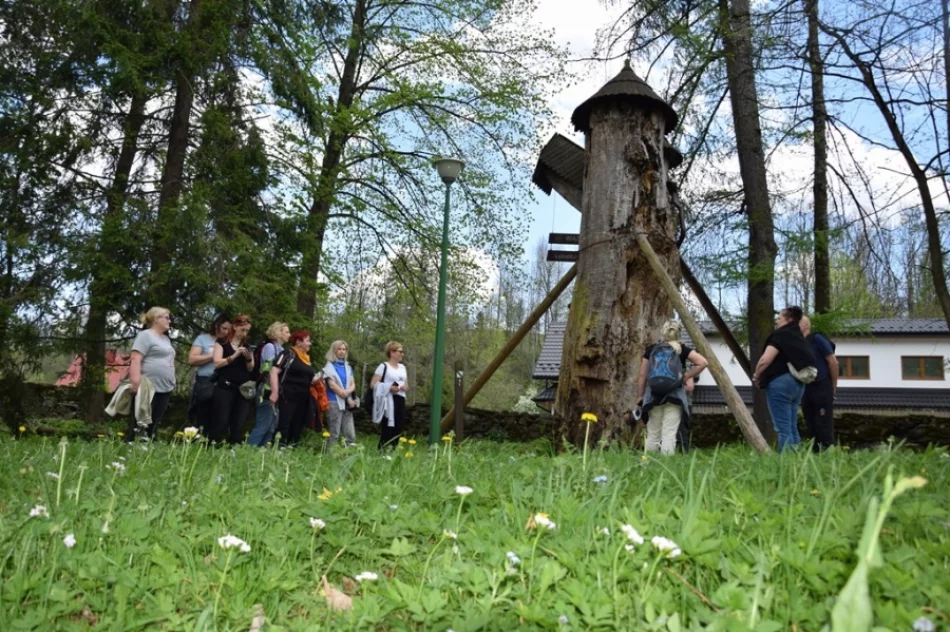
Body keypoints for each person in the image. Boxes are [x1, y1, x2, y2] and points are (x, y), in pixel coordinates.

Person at [637, 321, 708, 455]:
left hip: (653, 397)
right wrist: (686, 376)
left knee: (653, 434)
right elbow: (703, 362)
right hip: (675, 397)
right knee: (669, 434)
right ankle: (666, 468)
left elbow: (642, 375)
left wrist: (640, 396)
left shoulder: (652, 349)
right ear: (678, 333)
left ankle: (648, 466)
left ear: (663, 332)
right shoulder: (682, 349)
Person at [752, 306, 816, 451]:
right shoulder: (799, 337)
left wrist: (757, 375)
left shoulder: (781, 335)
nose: (777, 320)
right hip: (798, 384)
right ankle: (796, 460)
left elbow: (765, 360)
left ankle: (785, 464)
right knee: (792, 425)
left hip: (780, 383)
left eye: (780, 317)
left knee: (782, 427)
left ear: (789, 319)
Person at [127, 307, 176, 441]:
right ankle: (131, 447)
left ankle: (148, 449)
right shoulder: (145, 335)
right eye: (166, 317)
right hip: (148, 386)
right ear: (155, 319)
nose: (169, 321)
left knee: (155, 421)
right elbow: (136, 358)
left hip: (165, 386)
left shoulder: (166, 339)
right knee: (140, 421)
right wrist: (135, 381)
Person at [211, 314, 255, 444]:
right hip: (225, 386)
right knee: (221, 420)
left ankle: (233, 448)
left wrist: (248, 359)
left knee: (238, 422)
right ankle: (213, 445)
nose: (245, 333)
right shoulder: (222, 343)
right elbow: (217, 362)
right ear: (235, 327)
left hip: (242, 388)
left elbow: (251, 368)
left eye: (247, 331)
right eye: (243, 330)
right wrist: (234, 355)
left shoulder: (247, 345)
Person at [271, 330, 318, 446]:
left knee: (298, 423)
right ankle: (279, 447)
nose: (310, 344)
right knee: (285, 422)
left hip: (303, 396)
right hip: (288, 394)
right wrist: (275, 392)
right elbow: (273, 371)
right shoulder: (288, 353)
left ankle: (293, 447)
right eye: (307, 341)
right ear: (298, 342)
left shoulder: (306, 359)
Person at [247, 322, 290, 447]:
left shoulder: (282, 350)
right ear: (278, 332)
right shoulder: (270, 347)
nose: (289, 334)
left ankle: (262, 454)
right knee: (263, 424)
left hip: (276, 390)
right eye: (286, 331)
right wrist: (271, 391)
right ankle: (247, 452)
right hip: (266, 390)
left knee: (271, 426)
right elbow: (268, 370)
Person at [800, 316, 838, 451]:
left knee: (823, 422)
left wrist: (833, 386)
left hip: (822, 385)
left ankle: (828, 452)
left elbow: (833, 362)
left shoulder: (817, 339)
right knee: (810, 422)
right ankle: (815, 453)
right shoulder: (799, 344)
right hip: (806, 388)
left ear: (804, 325)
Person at [188, 314, 231, 432]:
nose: (227, 332)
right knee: (202, 416)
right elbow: (192, 359)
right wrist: (214, 355)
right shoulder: (203, 339)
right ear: (217, 326)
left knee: (219, 417)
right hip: (206, 381)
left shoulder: (229, 342)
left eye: (229, 329)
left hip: (223, 382)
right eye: (224, 328)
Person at [371, 341, 408, 449]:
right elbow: (373, 384)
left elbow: (406, 384)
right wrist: (389, 387)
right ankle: (382, 451)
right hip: (388, 400)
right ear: (392, 352)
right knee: (387, 427)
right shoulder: (383, 366)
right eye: (400, 352)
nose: (402, 354)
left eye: (402, 352)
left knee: (399, 427)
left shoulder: (402, 368)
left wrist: (404, 387)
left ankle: (393, 451)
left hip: (400, 399)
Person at [322, 340, 357, 448]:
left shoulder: (348, 367)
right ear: (334, 351)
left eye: (344, 349)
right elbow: (332, 385)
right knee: (334, 432)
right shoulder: (329, 367)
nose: (342, 352)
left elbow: (353, 384)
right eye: (339, 349)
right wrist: (346, 395)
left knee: (350, 433)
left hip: (347, 401)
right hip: (334, 401)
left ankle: (350, 455)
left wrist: (347, 394)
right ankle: (330, 457)